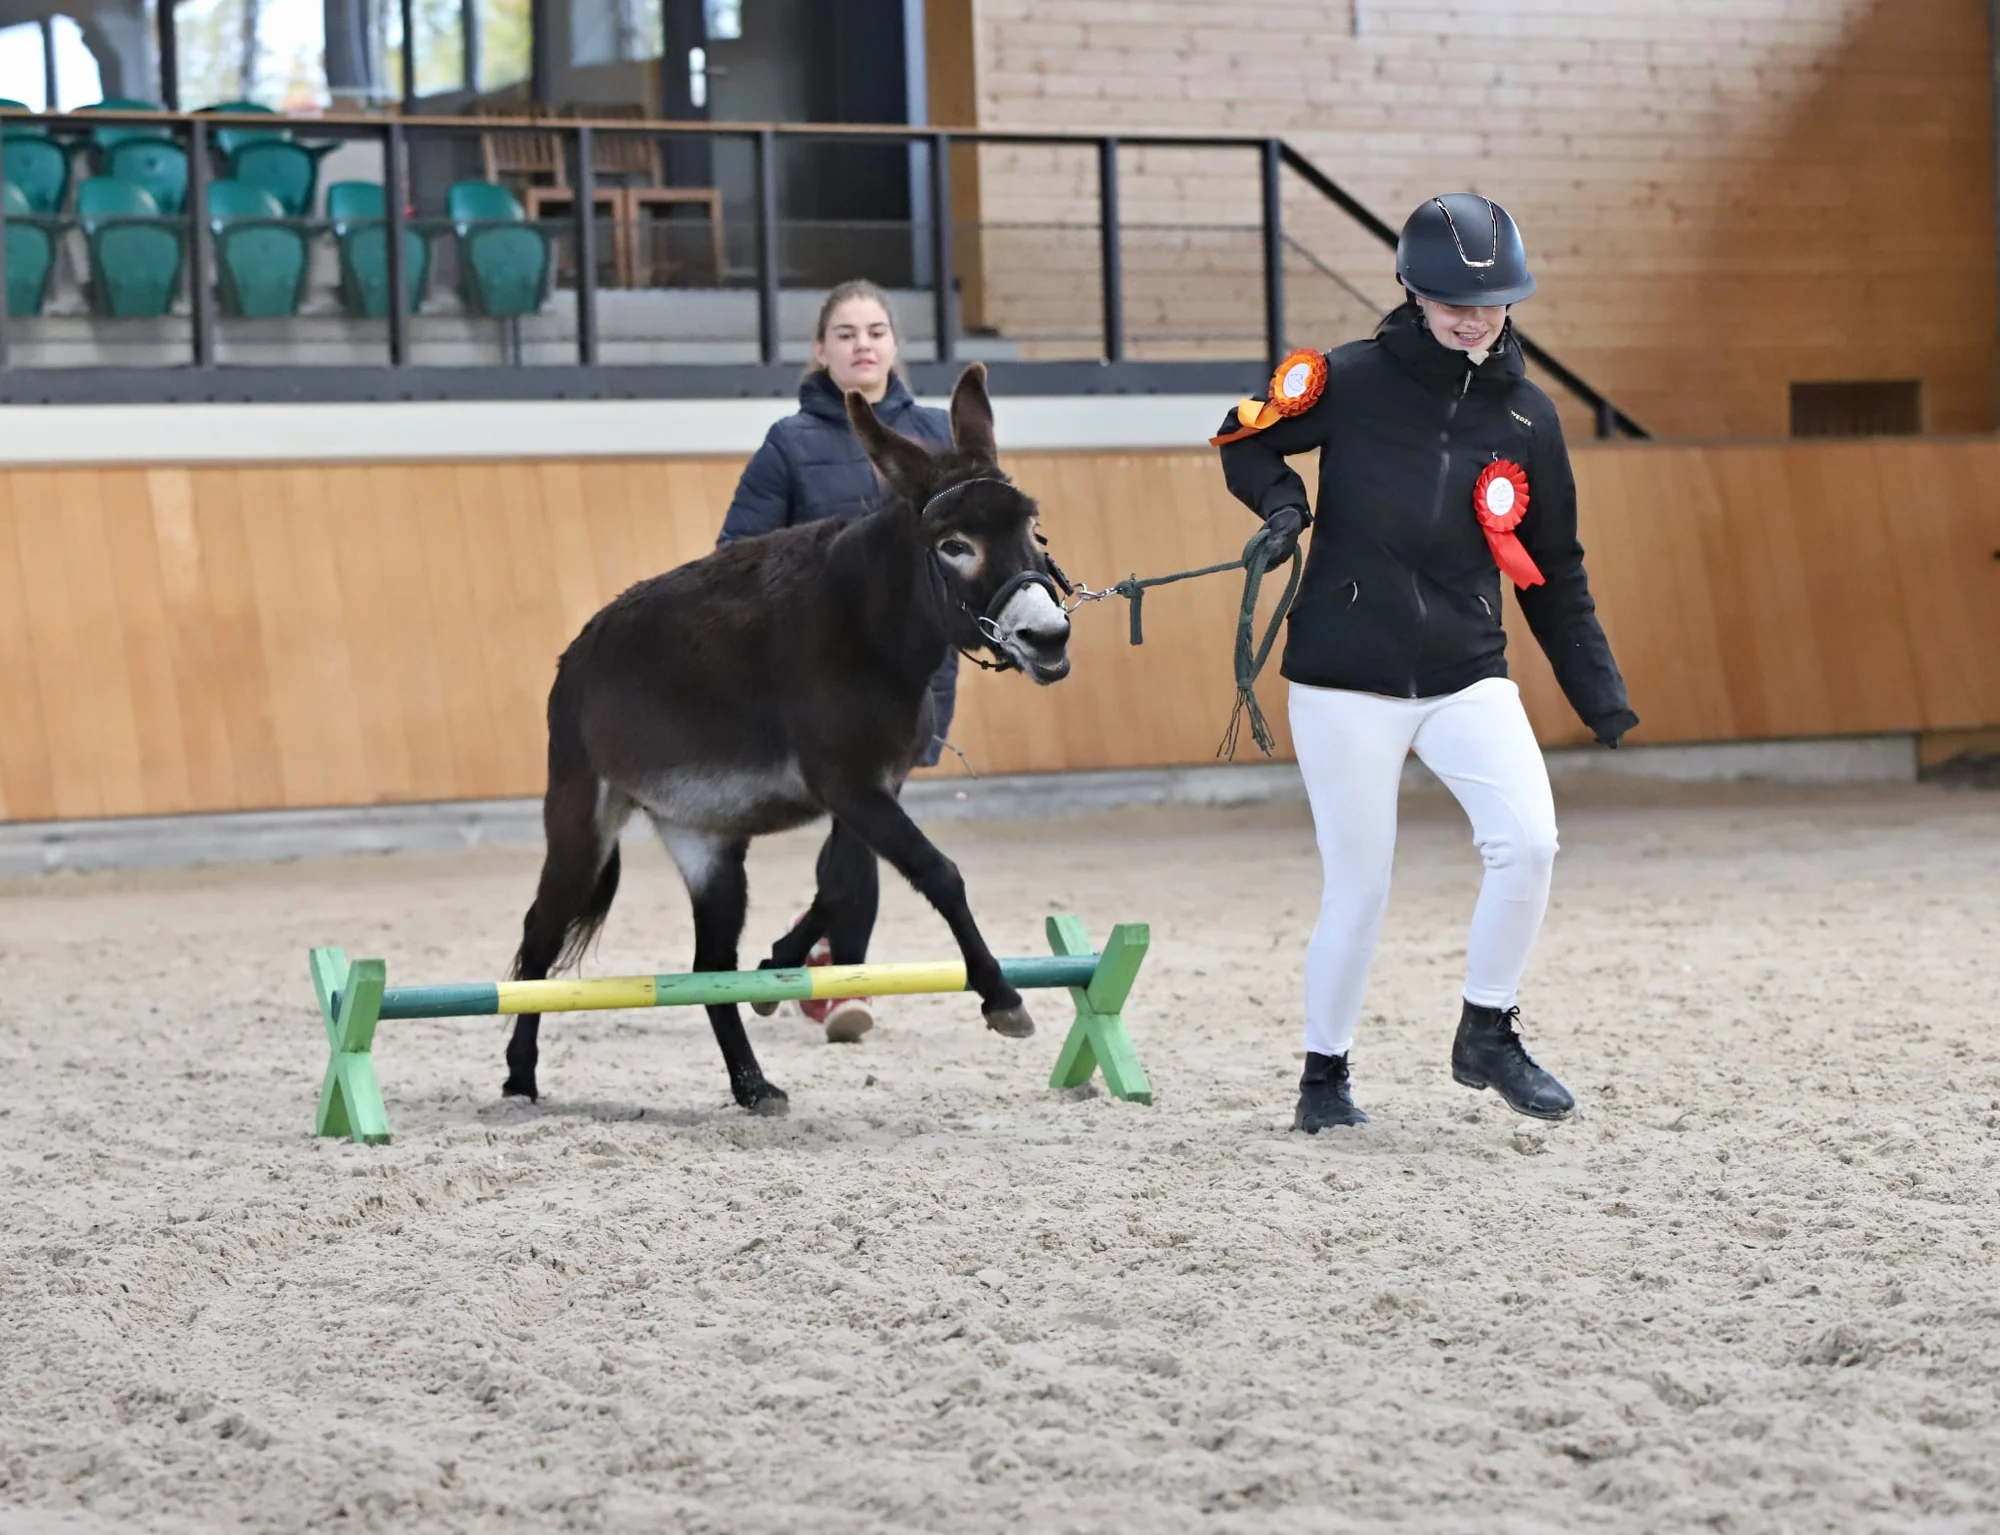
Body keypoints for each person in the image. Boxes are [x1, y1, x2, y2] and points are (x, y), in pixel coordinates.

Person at [1213, 193, 1639, 1134]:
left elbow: (1553, 566)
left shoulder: (1530, 416)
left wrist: (1598, 693)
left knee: (1529, 841)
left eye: (1490, 300)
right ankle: (1325, 1077)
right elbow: (1241, 439)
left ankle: (1487, 1027)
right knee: (1360, 885)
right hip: (1342, 676)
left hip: (1466, 669)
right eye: (1451, 297)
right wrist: (1284, 505)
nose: (1472, 315)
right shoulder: (1348, 378)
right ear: (1409, 285)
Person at [717, 278, 958, 1042]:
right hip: (818, 680)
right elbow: (736, 560)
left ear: (894, 345)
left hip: (915, 674)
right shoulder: (788, 444)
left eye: (877, 330)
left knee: (863, 820)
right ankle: (838, 975)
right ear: (821, 351)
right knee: (865, 817)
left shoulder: (939, 434)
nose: (863, 343)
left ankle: (807, 950)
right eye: (846, 332)